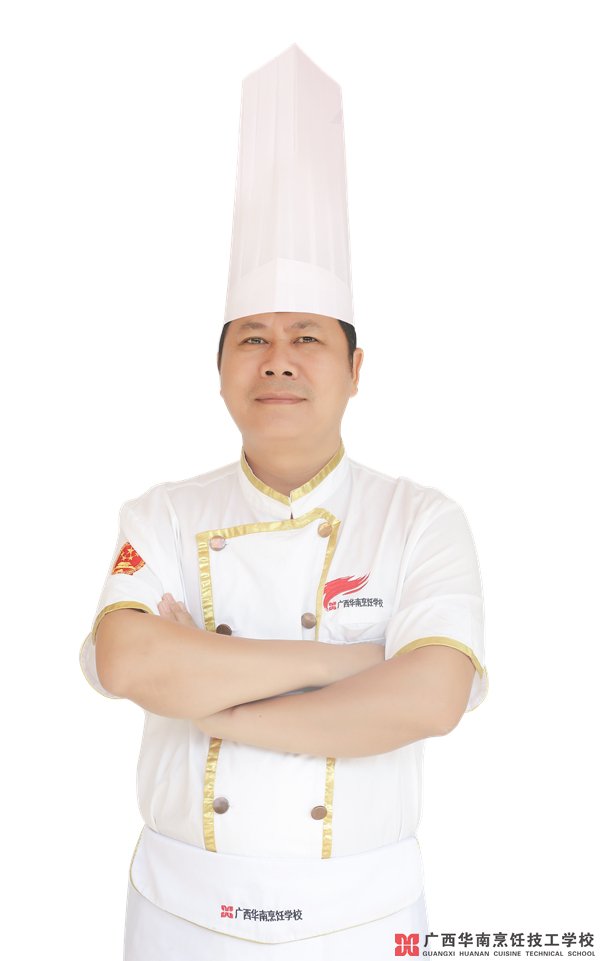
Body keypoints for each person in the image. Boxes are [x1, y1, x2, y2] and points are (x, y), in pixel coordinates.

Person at [80, 44, 488, 961]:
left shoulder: (422, 519)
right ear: (221, 366)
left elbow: (432, 697)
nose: (278, 360)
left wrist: (216, 704)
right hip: (182, 913)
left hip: (365, 914)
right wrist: (348, 664)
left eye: (307, 336)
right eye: (252, 338)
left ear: (355, 367)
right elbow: (127, 657)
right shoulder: (161, 514)